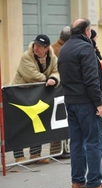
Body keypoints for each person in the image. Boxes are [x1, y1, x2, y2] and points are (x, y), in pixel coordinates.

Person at [58, 18, 102, 188]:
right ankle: (95, 182)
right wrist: (99, 103)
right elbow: (91, 79)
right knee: (94, 141)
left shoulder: (65, 48)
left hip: (70, 101)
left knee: (77, 142)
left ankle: (78, 181)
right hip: (86, 102)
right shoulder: (86, 48)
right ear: (87, 31)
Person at [12, 34, 60, 164]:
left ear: (46, 48)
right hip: (20, 93)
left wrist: (54, 79)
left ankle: (35, 154)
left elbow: (56, 71)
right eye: (35, 45)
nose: (36, 48)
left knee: (38, 123)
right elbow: (30, 75)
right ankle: (19, 156)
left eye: (40, 46)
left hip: (37, 94)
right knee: (20, 125)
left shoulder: (52, 57)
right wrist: (47, 79)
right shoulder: (26, 56)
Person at [51, 26, 71, 159]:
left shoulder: (58, 47)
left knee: (61, 120)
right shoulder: (59, 50)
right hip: (57, 89)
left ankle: (61, 149)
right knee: (58, 119)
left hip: (59, 88)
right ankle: (57, 150)